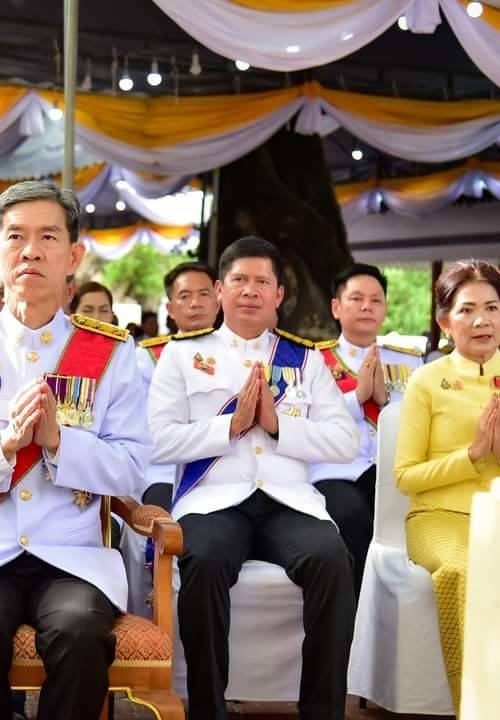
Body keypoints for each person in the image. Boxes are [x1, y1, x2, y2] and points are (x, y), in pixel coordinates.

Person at [0, 181, 149, 720]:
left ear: (74, 257)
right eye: (16, 237)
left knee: (80, 632)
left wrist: (59, 442)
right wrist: (4, 445)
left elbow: (133, 470)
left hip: (71, 556)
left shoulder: (111, 353)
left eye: (48, 237)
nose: (31, 251)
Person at [149, 236, 359, 720]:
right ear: (220, 290)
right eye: (239, 280)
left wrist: (277, 424)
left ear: (278, 294)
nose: (250, 291)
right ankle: (208, 709)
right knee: (204, 561)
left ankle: (323, 712)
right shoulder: (181, 356)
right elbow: (160, 441)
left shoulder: (305, 360)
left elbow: (344, 442)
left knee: (332, 559)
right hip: (213, 501)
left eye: (262, 282)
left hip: (289, 502)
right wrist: (231, 426)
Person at [396, 260, 500, 713]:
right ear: (444, 322)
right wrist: (470, 457)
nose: (481, 320)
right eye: (466, 310)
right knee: (465, 569)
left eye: (491, 308)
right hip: (438, 518)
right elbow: (406, 476)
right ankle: (475, 707)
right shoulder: (426, 381)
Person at [310, 264, 423, 598]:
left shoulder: (409, 361)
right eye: (356, 299)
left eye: (376, 300)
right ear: (336, 307)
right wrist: (357, 398)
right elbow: (306, 421)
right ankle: (356, 614)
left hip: (392, 469)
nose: (366, 307)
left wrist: (386, 401)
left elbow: (418, 419)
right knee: (353, 517)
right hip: (335, 469)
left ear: (385, 309)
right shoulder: (314, 360)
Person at [124, 261, 219, 617]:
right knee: (163, 530)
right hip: (165, 470)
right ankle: (159, 621)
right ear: (170, 307)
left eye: (204, 294)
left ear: (218, 299)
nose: (195, 303)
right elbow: (143, 428)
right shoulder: (146, 358)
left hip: (224, 472)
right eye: (185, 296)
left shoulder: (238, 353)